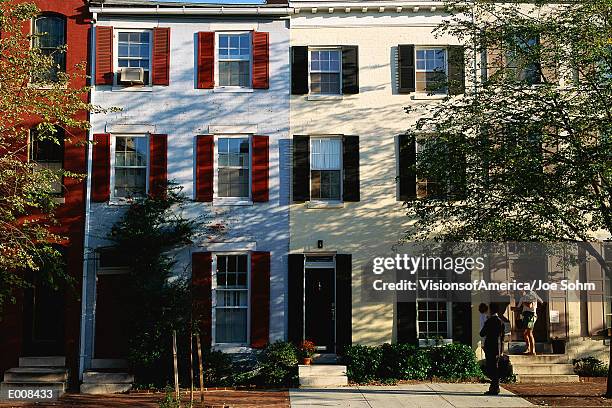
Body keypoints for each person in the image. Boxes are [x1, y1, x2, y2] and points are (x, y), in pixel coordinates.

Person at [480, 303, 505, 396]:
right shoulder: (501, 322)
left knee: (491, 368)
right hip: (498, 347)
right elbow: (502, 338)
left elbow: (482, 333)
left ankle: (494, 388)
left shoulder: (489, 321)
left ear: (490, 310)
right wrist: (502, 350)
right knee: (495, 368)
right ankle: (495, 387)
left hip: (490, 347)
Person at [518, 290, 543, 355]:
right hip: (526, 316)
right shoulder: (524, 297)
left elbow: (530, 305)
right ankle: (529, 348)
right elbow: (541, 301)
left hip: (531, 316)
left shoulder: (532, 295)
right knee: (525, 333)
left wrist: (524, 302)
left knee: (529, 333)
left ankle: (533, 351)